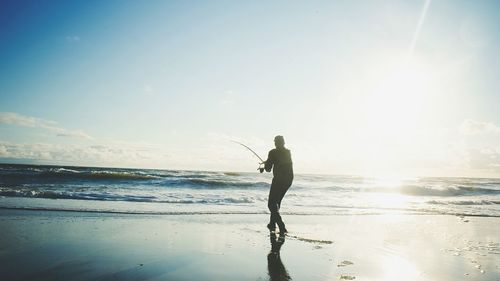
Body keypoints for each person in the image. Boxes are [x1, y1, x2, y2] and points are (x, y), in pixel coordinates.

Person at [263, 135, 293, 233]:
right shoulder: (288, 152)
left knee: (271, 204)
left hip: (279, 180)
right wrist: (269, 161)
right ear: (283, 142)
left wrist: (266, 164)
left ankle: (281, 226)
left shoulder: (273, 152)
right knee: (276, 202)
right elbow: (281, 162)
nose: (275, 143)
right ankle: (272, 224)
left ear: (277, 142)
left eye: (275, 142)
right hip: (288, 179)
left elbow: (268, 169)